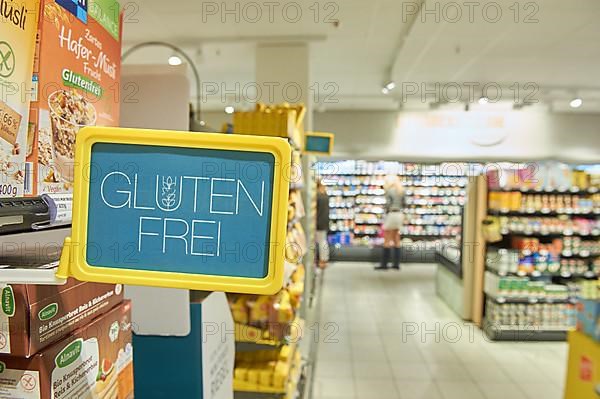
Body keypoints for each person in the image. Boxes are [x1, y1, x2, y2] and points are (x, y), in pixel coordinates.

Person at [375, 176, 404, 271]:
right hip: (399, 214)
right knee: (396, 239)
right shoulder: (401, 190)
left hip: (391, 214)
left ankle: (384, 264)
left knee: (387, 239)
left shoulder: (390, 190)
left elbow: (388, 204)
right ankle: (396, 264)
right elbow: (405, 204)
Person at [316, 180, 330, 268]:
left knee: (322, 242)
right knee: (323, 241)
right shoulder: (325, 195)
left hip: (320, 222)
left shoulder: (318, 197)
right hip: (325, 221)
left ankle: (322, 260)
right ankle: (324, 259)